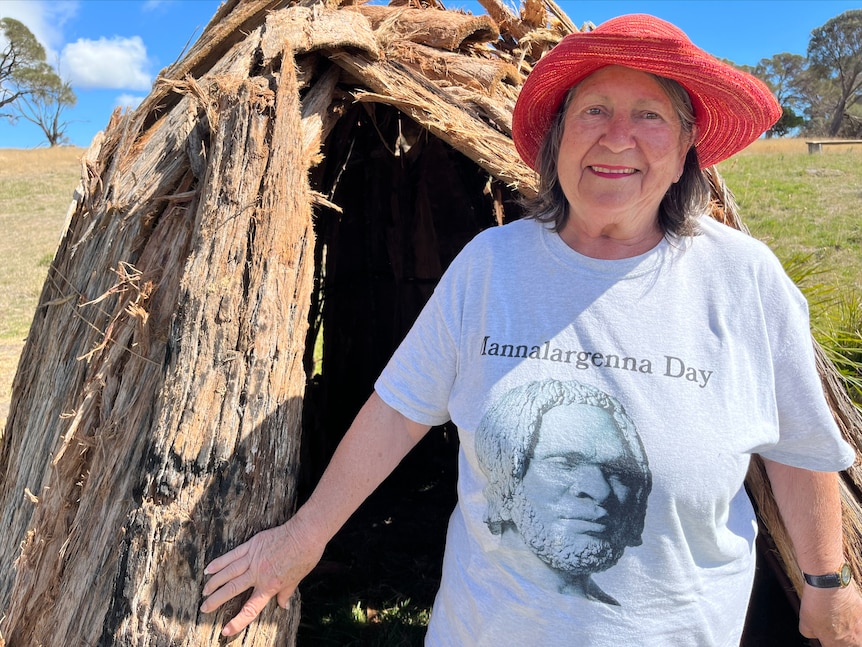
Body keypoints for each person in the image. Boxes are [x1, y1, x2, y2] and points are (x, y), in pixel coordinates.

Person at [200, 14, 862, 646]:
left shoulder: (741, 279)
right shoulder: (494, 266)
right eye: (594, 109)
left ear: (687, 144)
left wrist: (827, 578)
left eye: (650, 115)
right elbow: (399, 412)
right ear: (560, 134)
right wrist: (306, 534)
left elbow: (799, 443)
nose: (616, 136)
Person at [475, 378, 651, 605]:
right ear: (507, 476)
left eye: (617, 470)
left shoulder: (614, 610)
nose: (600, 491)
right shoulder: (481, 593)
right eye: (564, 463)